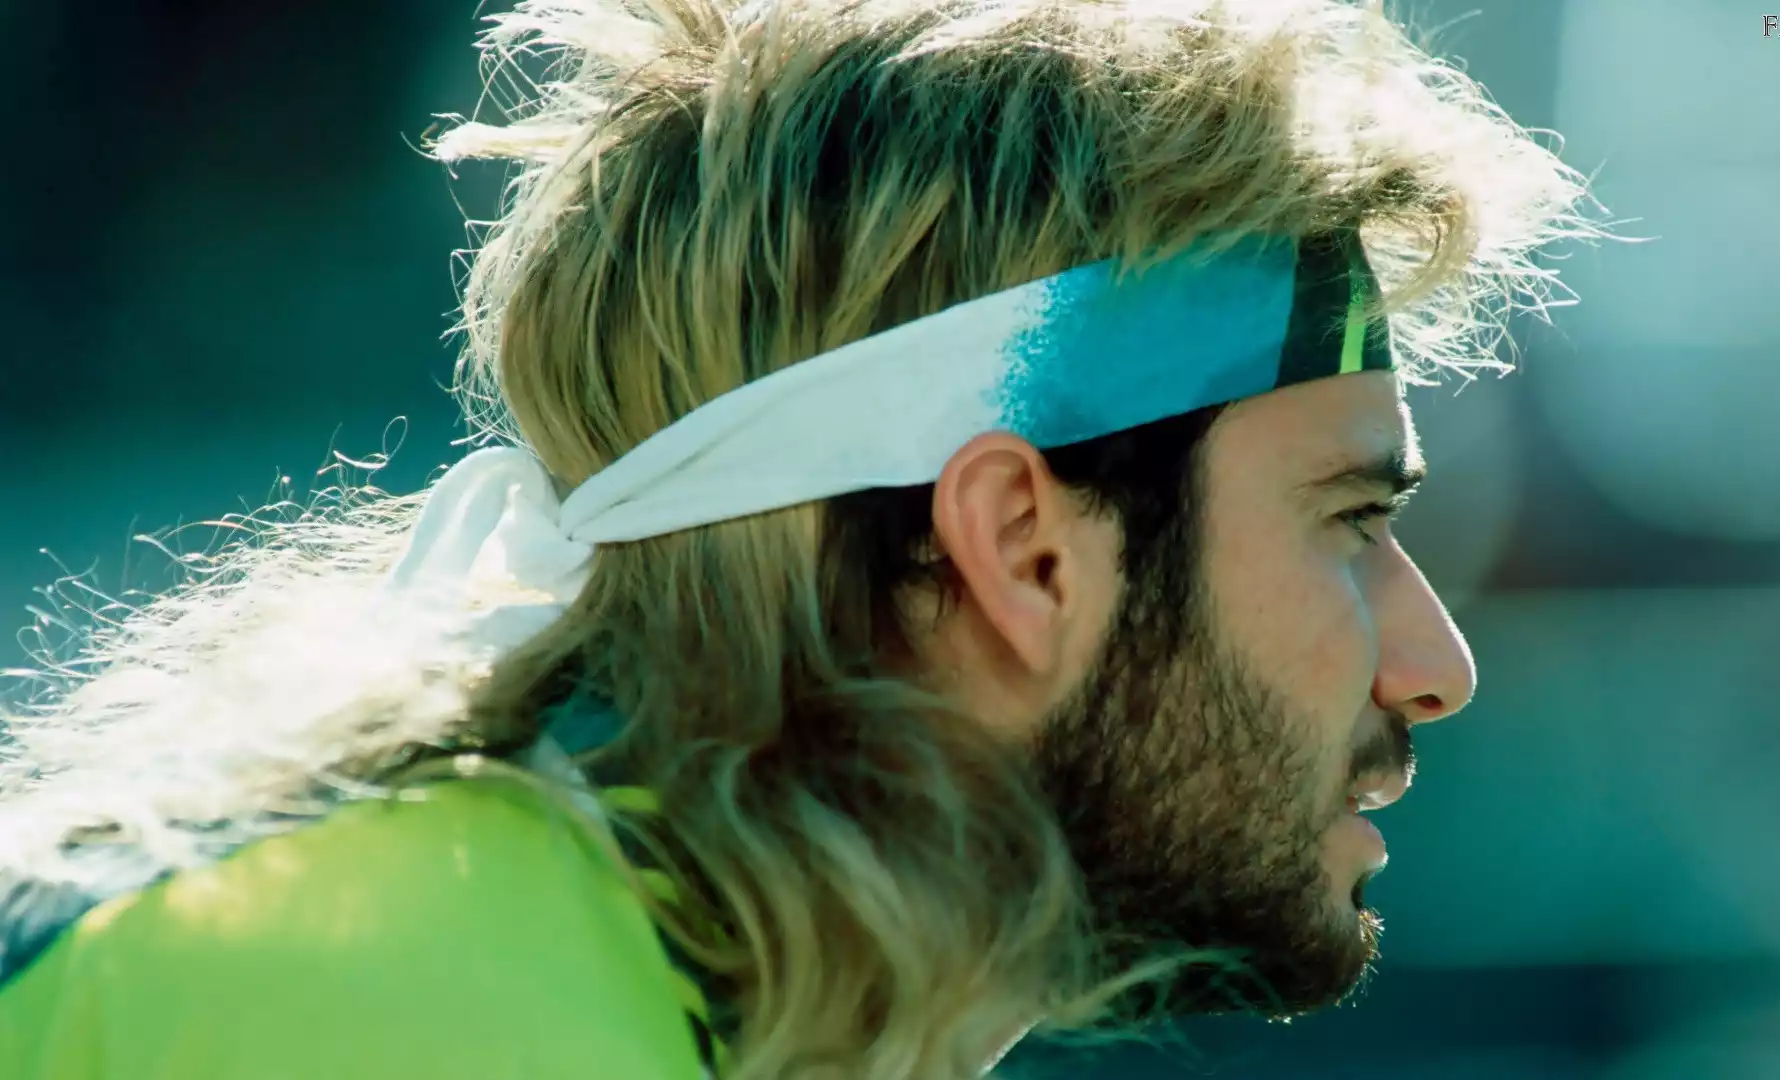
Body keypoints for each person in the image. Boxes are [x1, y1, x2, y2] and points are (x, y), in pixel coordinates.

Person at [0, 0, 1601, 1076]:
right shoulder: (374, 1004)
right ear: (1021, 546)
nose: (1435, 663)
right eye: (1351, 521)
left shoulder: (524, 959)